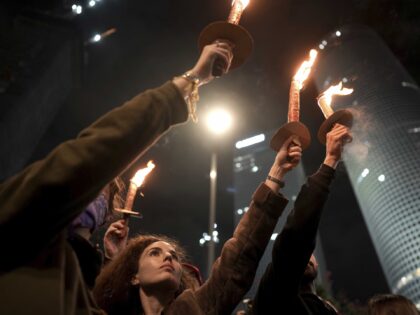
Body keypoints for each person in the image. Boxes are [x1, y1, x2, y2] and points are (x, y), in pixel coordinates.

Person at [0, 41, 233, 315]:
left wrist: (118, 261)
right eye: (93, 187)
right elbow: (90, 156)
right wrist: (187, 82)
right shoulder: (19, 217)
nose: (90, 197)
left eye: (101, 198)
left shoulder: (79, 289)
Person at [93, 136, 303, 315]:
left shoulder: (194, 308)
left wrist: (276, 173)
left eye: (174, 256)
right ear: (134, 277)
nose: (169, 257)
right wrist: (115, 259)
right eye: (155, 253)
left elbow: (239, 258)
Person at [252, 124, 352, 315]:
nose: (306, 256)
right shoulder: (273, 291)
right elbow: (297, 235)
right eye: (304, 251)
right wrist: (330, 161)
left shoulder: (327, 310)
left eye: (309, 253)